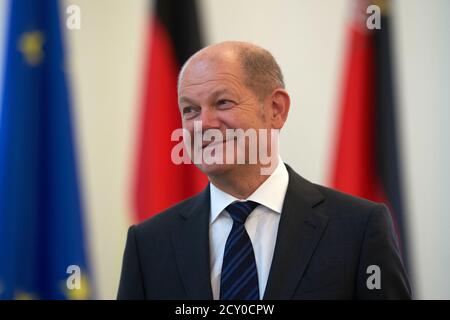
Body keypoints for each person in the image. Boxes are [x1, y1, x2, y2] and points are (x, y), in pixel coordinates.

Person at [117, 41, 411, 300]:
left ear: (276, 109)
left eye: (222, 102)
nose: (202, 124)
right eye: (190, 110)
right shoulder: (149, 244)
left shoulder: (358, 229)